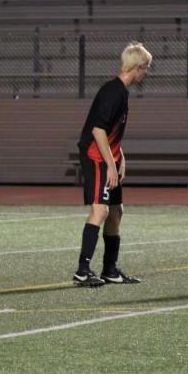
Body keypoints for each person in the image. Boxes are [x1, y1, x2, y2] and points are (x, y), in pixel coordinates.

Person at [72, 42, 151, 287]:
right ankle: (82, 271)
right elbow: (97, 131)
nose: (146, 72)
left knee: (116, 211)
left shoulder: (122, 91)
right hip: (96, 157)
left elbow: (111, 131)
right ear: (136, 67)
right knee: (101, 210)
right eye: (146, 68)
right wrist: (110, 164)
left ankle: (109, 269)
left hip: (108, 156)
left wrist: (121, 157)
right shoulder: (112, 91)